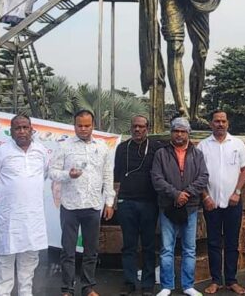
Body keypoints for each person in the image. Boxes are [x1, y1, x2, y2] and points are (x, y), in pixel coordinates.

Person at [49, 109, 115, 296]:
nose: (84, 129)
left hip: (93, 205)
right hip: (70, 206)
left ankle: (88, 288)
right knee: (68, 251)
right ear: (74, 125)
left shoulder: (102, 147)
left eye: (87, 125)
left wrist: (109, 202)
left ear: (93, 125)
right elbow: (52, 172)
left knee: (91, 251)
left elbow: (107, 175)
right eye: (80, 125)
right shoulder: (64, 146)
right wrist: (67, 175)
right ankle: (67, 289)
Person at [0, 115, 49, 296]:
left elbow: (43, 174)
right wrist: (7, 192)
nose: (22, 131)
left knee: (29, 262)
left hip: (32, 217)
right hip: (9, 218)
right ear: (11, 132)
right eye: (17, 128)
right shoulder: (1, 152)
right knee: (4, 260)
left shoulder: (41, 151)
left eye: (25, 127)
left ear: (31, 129)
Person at [150, 117, 209, 296]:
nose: (179, 134)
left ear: (188, 133)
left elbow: (203, 177)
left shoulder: (197, 154)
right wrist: (175, 194)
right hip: (168, 206)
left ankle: (188, 285)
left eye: (183, 131)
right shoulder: (161, 154)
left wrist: (187, 193)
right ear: (171, 133)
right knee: (167, 248)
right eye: (176, 131)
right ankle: (167, 285)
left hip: (190, 207)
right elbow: (157, 178)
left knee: (189, 248)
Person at [198, 110, 245, 294]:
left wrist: (237, 192)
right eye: (216, 121)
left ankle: (231, 280)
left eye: (223, 121)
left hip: (233, 203)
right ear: (211, 123)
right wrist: (205, 196)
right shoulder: (203, 146)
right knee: (213, 242)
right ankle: (215, 280)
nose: (220, 124)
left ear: (228, 123)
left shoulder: (237, 144)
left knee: (231, 243)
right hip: (211, 202)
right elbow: (197, 174)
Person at [114, 115, 164, 296]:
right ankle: (129, 282)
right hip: (126, 202)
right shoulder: (122, 148)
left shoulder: (156, 148)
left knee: (149, 245)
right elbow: (116, 177)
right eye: (134, 126)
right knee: (129, 245)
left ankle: (148, 284)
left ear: (147, 128)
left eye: (141, 126)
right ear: (130, 127)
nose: (137, 129)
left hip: (149, 203)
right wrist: (115, 201)